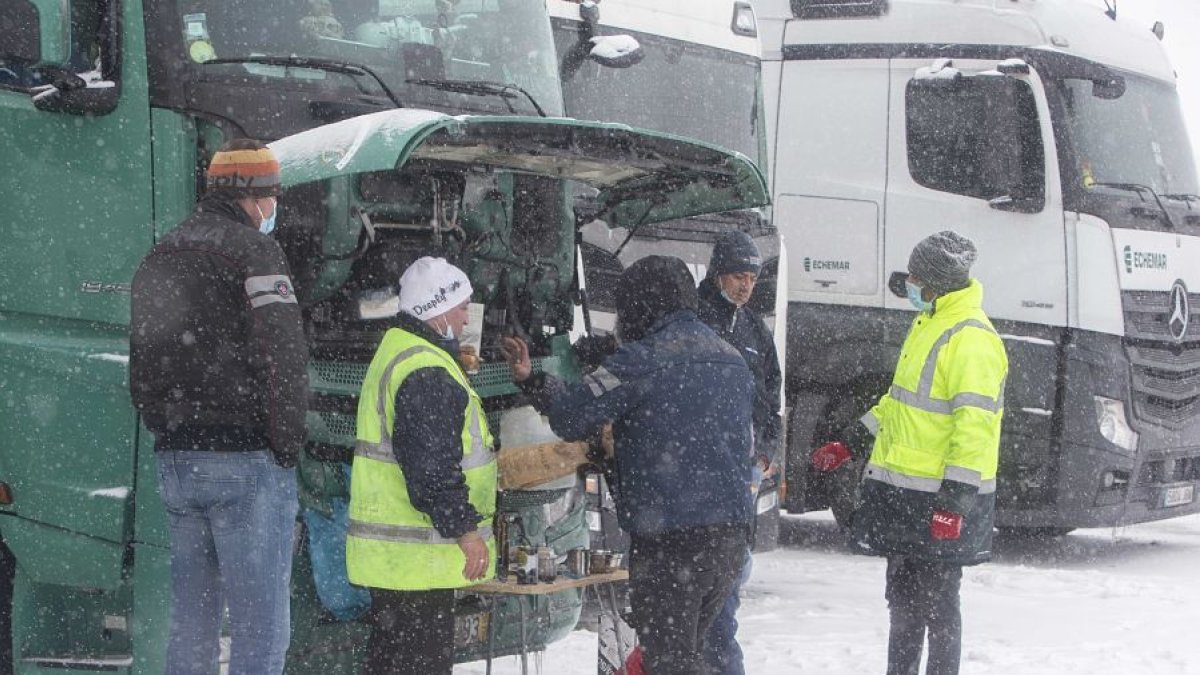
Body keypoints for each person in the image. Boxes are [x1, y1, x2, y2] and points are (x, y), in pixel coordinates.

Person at [503, 255, 755, 675]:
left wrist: (533, 381)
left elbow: (571, 417)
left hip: (671, 541)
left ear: (640, 305)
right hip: (729, 541)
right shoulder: (732, 359)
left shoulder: (641, 360)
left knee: (669, 663)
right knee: (697, 654)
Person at [129, 139, 308, 675]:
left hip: (178, 462)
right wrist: (285, 443)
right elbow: (284, 357)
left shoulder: (162, 251)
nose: (274, 208)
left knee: (192, 625)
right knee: (260, 631)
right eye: (272, 195)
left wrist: (167, 428)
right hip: (246, 462)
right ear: (254, 197)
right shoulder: (257, 253)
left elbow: (142, 359)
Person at [811, 231, 1008, 675]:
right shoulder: (929, 324)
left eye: (918, 276)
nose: (911, 283)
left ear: (937, 281)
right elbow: (898, 404)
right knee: (903, 605)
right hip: (905, 500)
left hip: (938, 503)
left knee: (939, 609)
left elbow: (974, 430)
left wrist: (954, 503)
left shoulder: (971, 339)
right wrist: (851, 442)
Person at [346, 256, 497, 675]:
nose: (468, 315)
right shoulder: (426, 369)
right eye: (463, 305)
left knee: (390, 663)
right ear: (438, 308)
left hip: (399, 565)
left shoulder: (400, 352)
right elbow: (431, 469)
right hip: (418, 562)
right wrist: (465, 530)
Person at [696, 230, 783, 675]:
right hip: (693, 470)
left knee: (729, 584)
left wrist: (764, 457)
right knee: (698, 600)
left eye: (752, 277)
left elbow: (772, 403)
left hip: (741, 474)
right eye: (737, 276)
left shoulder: (754, 331)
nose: (745, 286)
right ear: (717, 275)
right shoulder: (690, 318)